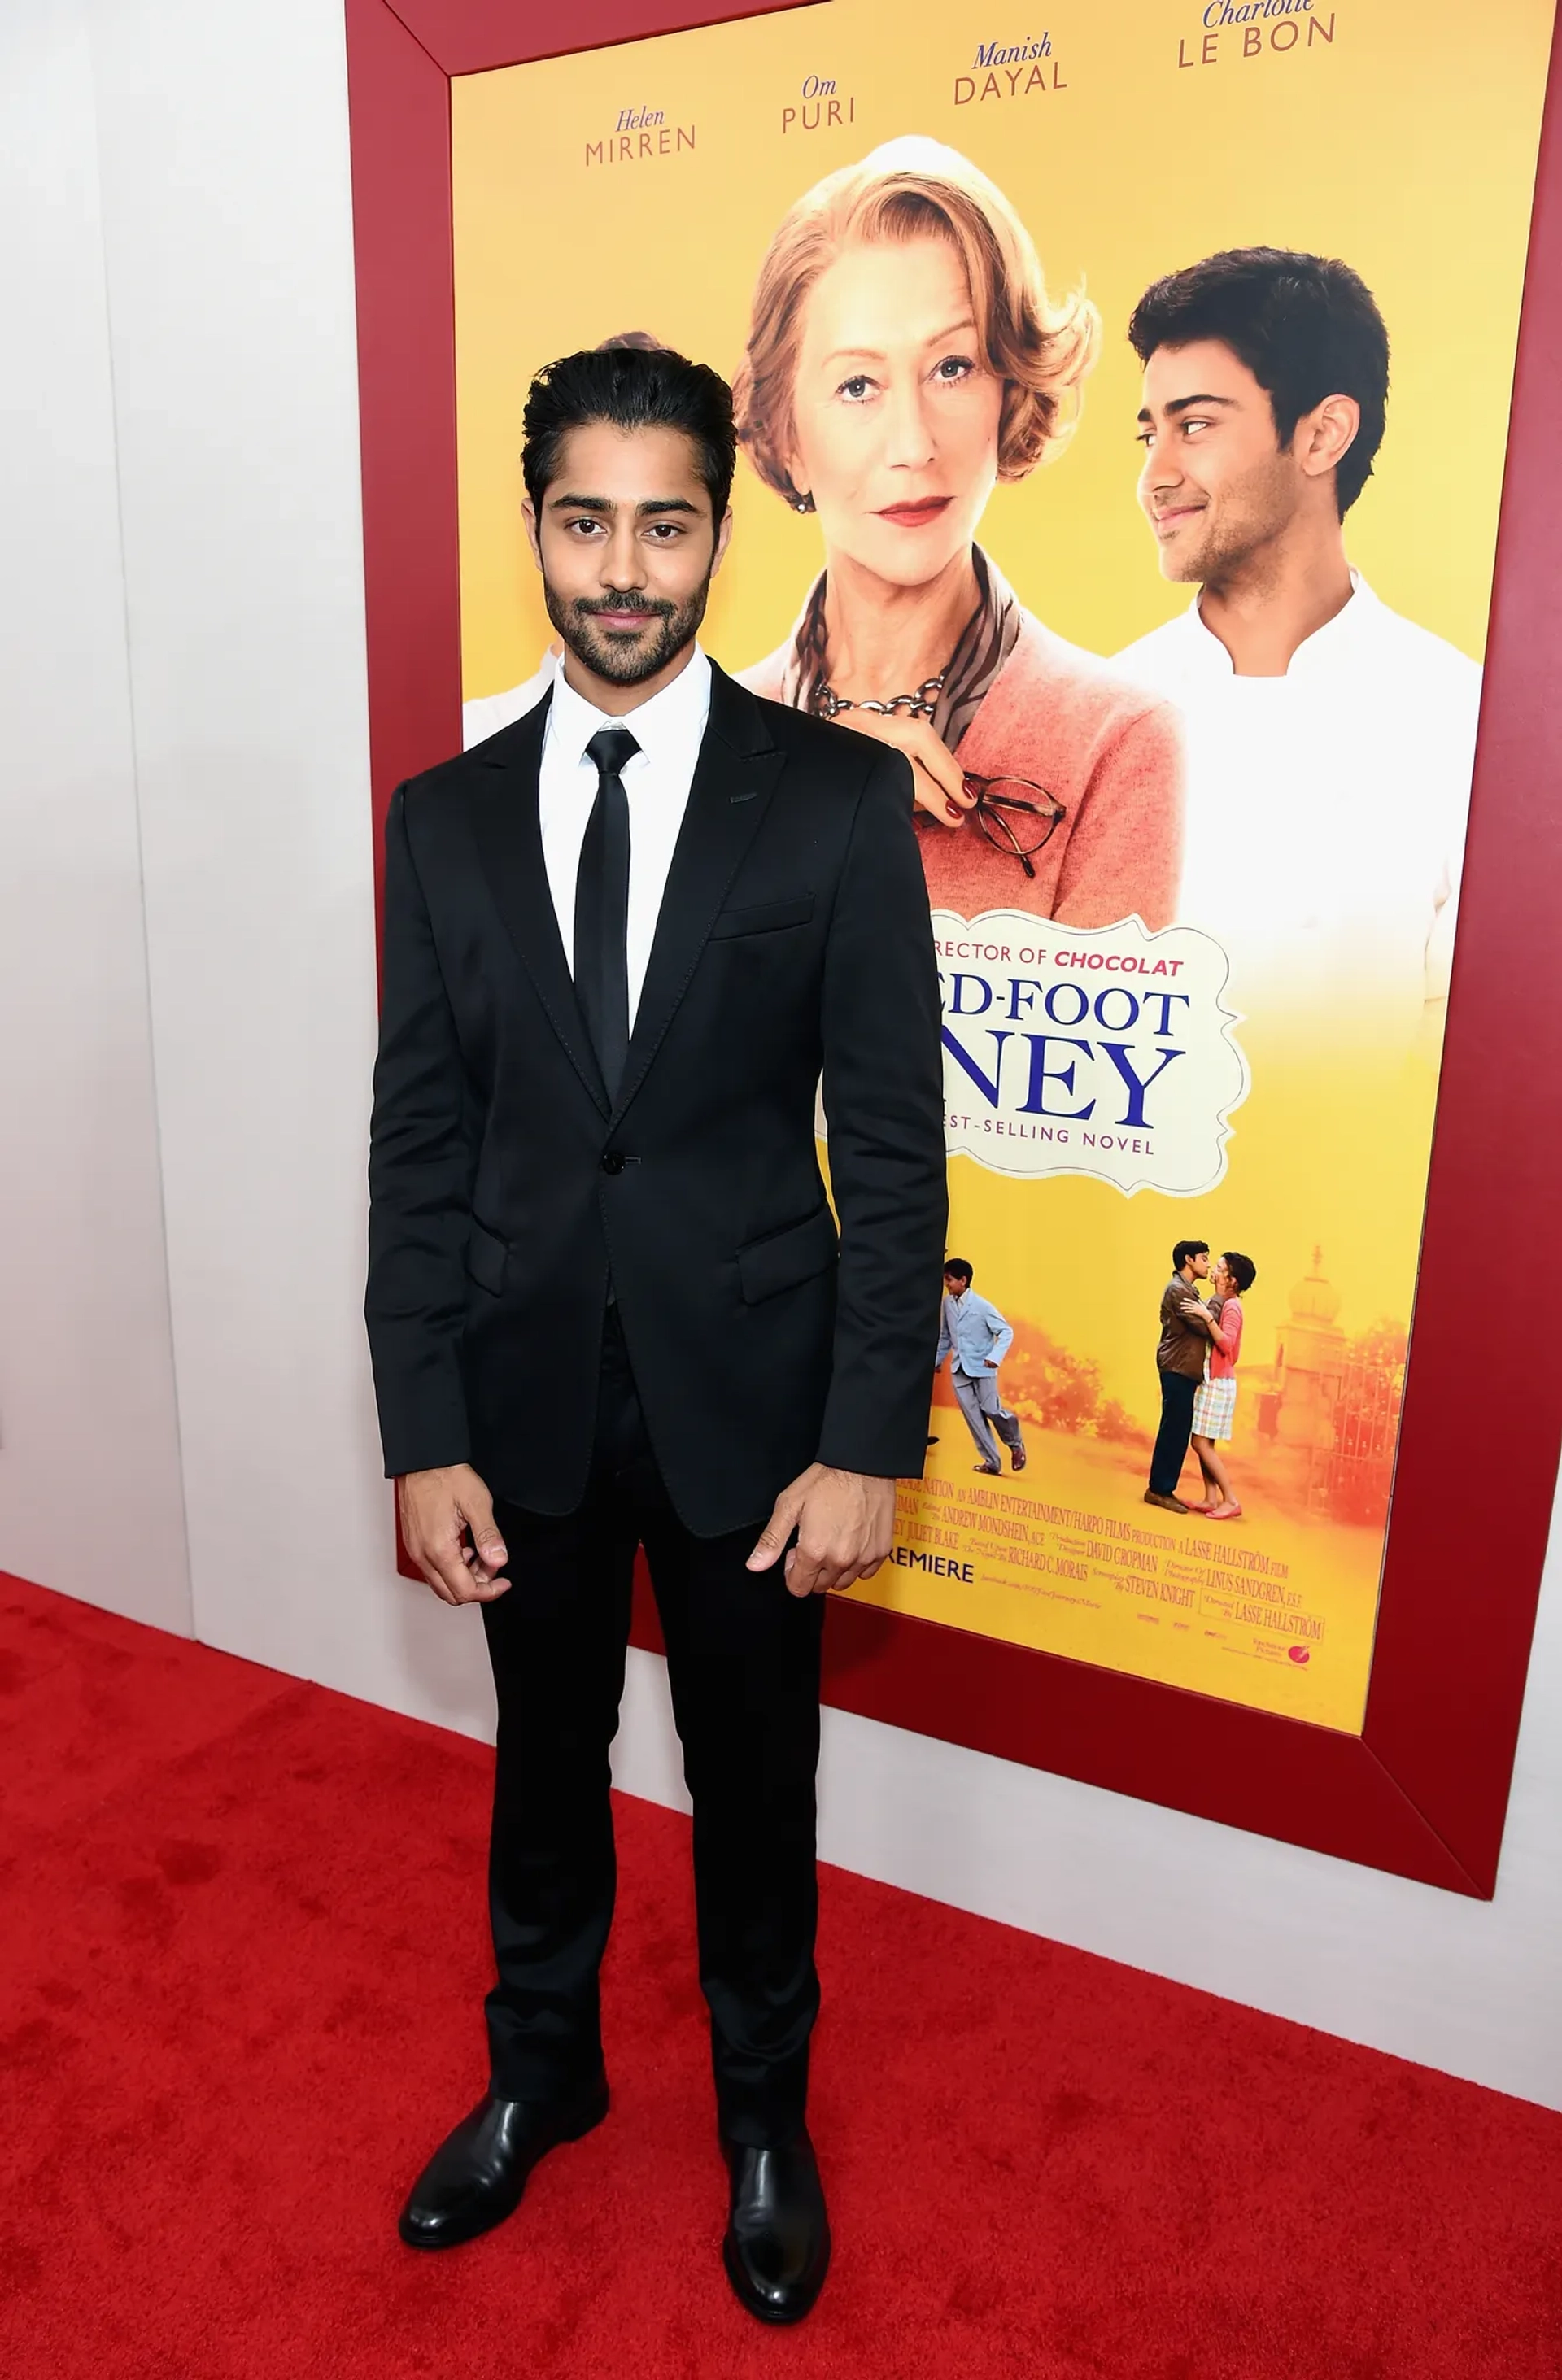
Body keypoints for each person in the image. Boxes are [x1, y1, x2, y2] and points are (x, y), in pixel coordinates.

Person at [365, 343, 947, 2326]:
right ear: (535, 524)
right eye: (586, 519)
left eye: (665, 522)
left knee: (753, 1776)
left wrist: (872, 1433)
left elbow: (888, 1138)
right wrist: (418, 1419)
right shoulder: (439, 819)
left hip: (756, 1409)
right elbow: (419, 1137)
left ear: (721, 527)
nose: (624, 568)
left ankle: (765, 2123)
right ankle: (542, 2076)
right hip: (519, 1395)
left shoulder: (835, 805)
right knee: (540, 1761)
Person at [733, 137, 1184, 927]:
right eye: (858, 385)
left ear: (1010, 394)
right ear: (783, 437)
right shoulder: (699, 753)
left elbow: (1081, 1058)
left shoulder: (1116, 743)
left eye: (952, 368)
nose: (913, 445)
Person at [1116, 249, 1480, 1044]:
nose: (1156, 475)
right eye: (1150, 434)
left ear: (1322, 437)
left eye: (1197, 426)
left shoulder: (1466, 725)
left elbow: (1463, 1067)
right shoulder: (1102, 719)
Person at [1145, 1240, 1221, 1514]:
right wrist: (1219, 1297)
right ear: (1188, 1260)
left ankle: (1163, 1488)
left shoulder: (1187, 1290)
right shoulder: (1179, 1291)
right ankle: (1159, 1490)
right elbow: (1203, 1326)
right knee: (1173, 1432)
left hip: (1182, 1369)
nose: (1208, 1264)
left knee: (1177, 1431)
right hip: (1176, 1367)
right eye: (1204, 1258)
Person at [936, 1258, 1027, 1476]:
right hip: (959, 1370)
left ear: (963, 1280)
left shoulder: (982, 1307)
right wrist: (937, 1361)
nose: (946, 1284)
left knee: (992, 1410)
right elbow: (945, 1337)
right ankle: (992, 1462)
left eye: (949, 1280)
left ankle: (1015, 1444)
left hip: (983, 1368)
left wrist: (995, 1356)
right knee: (974, 1418)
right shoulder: (947, 1304)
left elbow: (1006, 1332)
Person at [1189, 1252, 1257, 1520]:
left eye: (1220, 1268)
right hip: (1216, 1379)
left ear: (1232, 1280)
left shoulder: (1232, 1307)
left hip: (1219, 1382)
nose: (1214, 1271)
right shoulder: (1225, 1303)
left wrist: (1207, 1317)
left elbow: (1228, 1345)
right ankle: (1210, 1498)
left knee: (1200, 1443)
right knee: (1206, 1443)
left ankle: (1230, 1499)